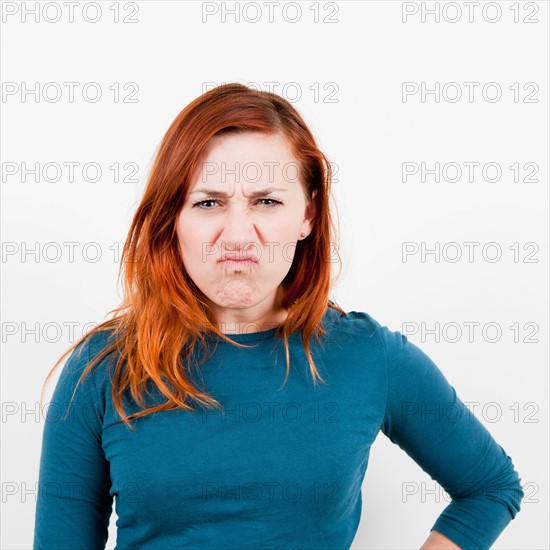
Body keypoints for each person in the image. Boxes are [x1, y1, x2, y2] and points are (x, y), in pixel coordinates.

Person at [33, 83, 523, 550]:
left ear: (307, 215)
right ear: (172, 218)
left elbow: (490, 487)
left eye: (266, 201)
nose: (238, 235)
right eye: (209, 203)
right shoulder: (101, 368)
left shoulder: (369, 357)